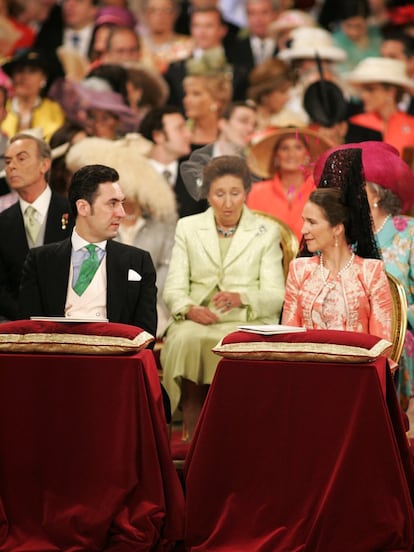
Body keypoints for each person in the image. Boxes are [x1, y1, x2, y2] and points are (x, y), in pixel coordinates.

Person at [161, 155, 285, 439]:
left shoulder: (266, 232)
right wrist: (189, 309)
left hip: (247, 320)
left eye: (235, 193)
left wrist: (242, 297)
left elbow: (276, 295)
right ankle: (192, 439)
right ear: (207, 195)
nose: (228, 203)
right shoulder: (188, 227)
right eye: (219, 194)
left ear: (246, 193)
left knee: (231, 342)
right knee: (187, 338)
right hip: (197, 319)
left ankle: (238, 440)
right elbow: (173, 289)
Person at [314, 140, 414, 409]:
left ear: (378, 193)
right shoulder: (336, 231)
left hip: (397, 330)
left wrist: (395, 317)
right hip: (339, 327)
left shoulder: (409, 232)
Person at [18, 164, 157, 338]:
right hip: (55, 358)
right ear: (83, 207)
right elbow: (28, 328)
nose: (121, 213)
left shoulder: (138, 261)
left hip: (115, 360)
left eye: (121, 203)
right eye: (112, 204)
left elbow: (146, 335)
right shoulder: (40, 260)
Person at [64, 135, 177, 337]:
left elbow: (167, 267)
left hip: (153, 305)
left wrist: (144, 293)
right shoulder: (93, 224)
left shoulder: (162, 224)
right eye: (111, 201)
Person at [282, 147, 392, 341]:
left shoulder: (371, 273)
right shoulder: (299, 270)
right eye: (304, 221)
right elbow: (288, 337)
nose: (303, 230)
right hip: (308, 366)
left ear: (337, 229)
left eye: (312, 222)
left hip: (357, 369)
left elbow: (382, 347)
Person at [0, 133, 74, 321]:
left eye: (21, 158)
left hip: (70, 323)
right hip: (17, 327)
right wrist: (26, 319)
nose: (12, 166)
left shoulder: (73, 213)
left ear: (45, 164)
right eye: (7, 161)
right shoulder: (3, 223)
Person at [246, 128, 332, 240]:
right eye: (284, 148)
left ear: (307, 155)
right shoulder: (257, 193)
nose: (291, 154)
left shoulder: (320, 193)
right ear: (276, 156)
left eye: (298, 147)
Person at [139, 105, 207, 217]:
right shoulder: (135, 176)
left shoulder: (197, 175)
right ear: (158, 136)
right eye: (180, 128)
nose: (188, 134)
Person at [346, 56, 414, 155]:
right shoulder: (356, 123)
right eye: (363, 90)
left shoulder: (411, 125)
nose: (363, 96)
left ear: (391, 92)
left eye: (371, 90)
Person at [1, 48, 65, 142]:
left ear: (44, 78)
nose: (25, 77)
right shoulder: (3, 107)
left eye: (32, 71)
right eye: (19, 71)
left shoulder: (54, 110)